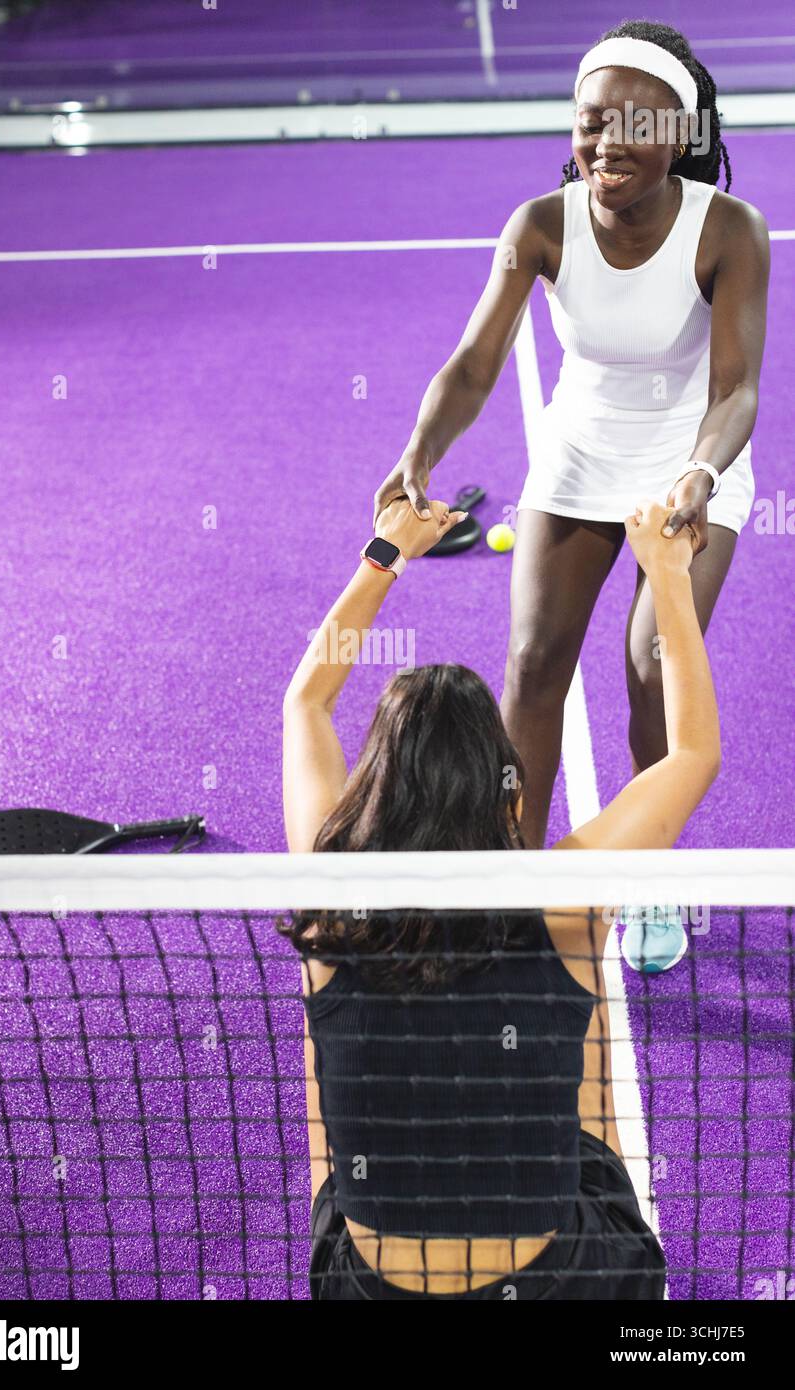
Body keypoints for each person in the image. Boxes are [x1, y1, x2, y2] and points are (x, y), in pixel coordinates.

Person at [372, 21, 768, 970]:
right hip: (578, 456)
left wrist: (697, 475)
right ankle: (515, 882)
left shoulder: (729, 230)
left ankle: (647, 880)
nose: (607, 143)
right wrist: (421, 449)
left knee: (648, 668)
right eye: (592, 123)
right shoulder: (540, 225)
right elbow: (474, 364)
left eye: (634, 124)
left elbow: (736, 391)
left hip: (692, 464)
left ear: (680, 131)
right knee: (532, 663)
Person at [281, 495, 719, 1300]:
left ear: (377, 785)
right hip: (554, 1282)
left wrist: (386, 552)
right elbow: (690, 753)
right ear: (504, 790)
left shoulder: (327, 898)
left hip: (368, 1287)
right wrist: (666, 574)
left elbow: (304, 703)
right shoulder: (562, 903)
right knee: (585, 1096)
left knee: (330, 1118)